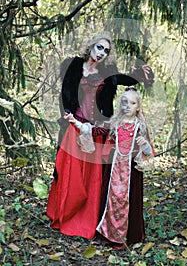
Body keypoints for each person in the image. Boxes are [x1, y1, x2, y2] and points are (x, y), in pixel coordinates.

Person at [46, 32, 154, 240]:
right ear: (91, 46)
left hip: (97, 131)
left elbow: (122, 79)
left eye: (106, 51)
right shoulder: (74, 67)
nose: (102, 53)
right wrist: (68, 117)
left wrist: (139, 75)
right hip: (75, 128)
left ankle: (88, 221)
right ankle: (65, 216)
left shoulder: (107, 72)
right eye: (99, 48)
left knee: (93, 179)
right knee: (72, 176)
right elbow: (65, 95)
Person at [96, 87, 153, 249]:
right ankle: (109, 234)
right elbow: (105, 142)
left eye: (132, 103)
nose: (128, 106)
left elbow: (148, 152)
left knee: (128, 200)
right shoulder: (115, 124)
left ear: (138, 107)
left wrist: (145, 145)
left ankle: (126, 235)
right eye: (124, 102)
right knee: (112, 198)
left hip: (131, 172)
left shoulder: (140, 126)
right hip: (115, 169)